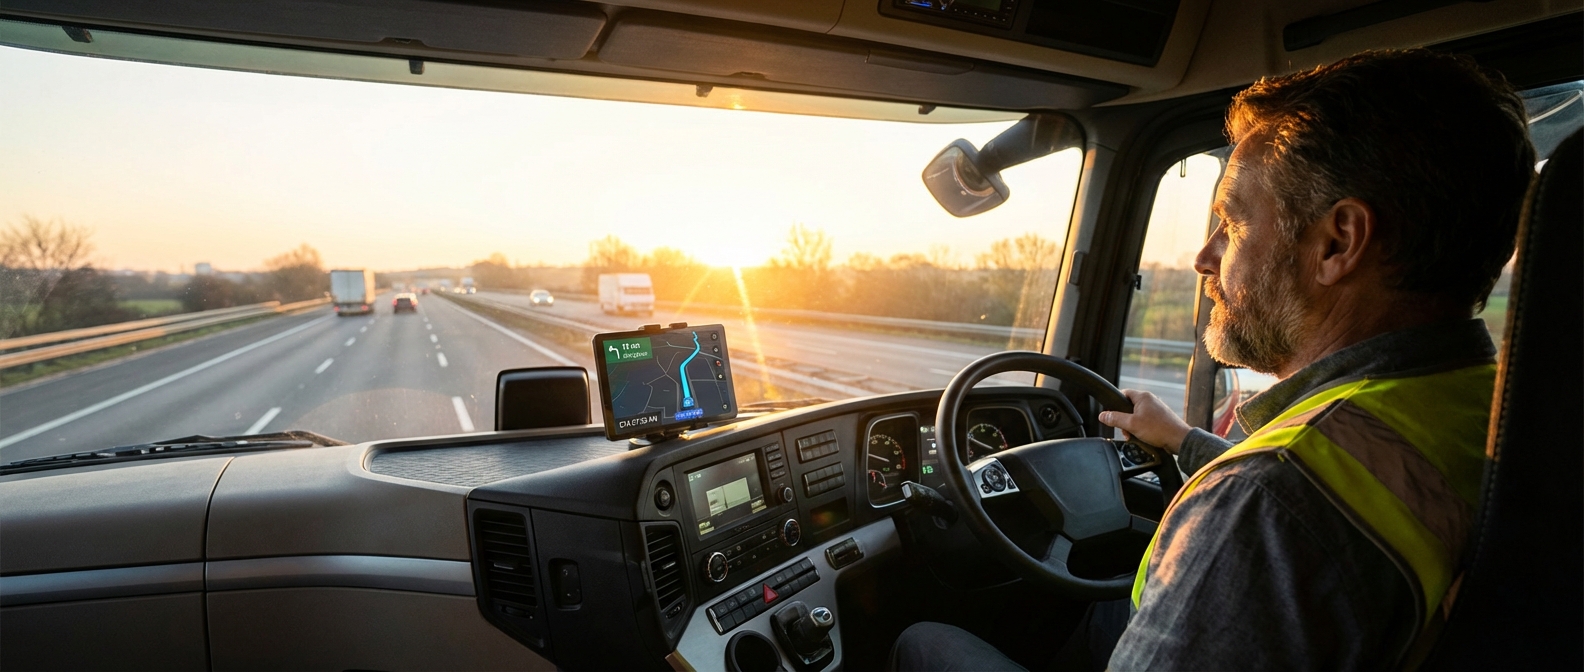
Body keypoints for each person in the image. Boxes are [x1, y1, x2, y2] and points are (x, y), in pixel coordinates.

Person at [891, 49, 1535, 671]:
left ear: (1337, 242)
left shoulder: (1264, 507)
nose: (1205, 257)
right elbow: (1355, 480)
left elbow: (1290, 498)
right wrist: (1180, 440)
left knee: (921, 643)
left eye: (1233, 222)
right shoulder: (1492, 406)